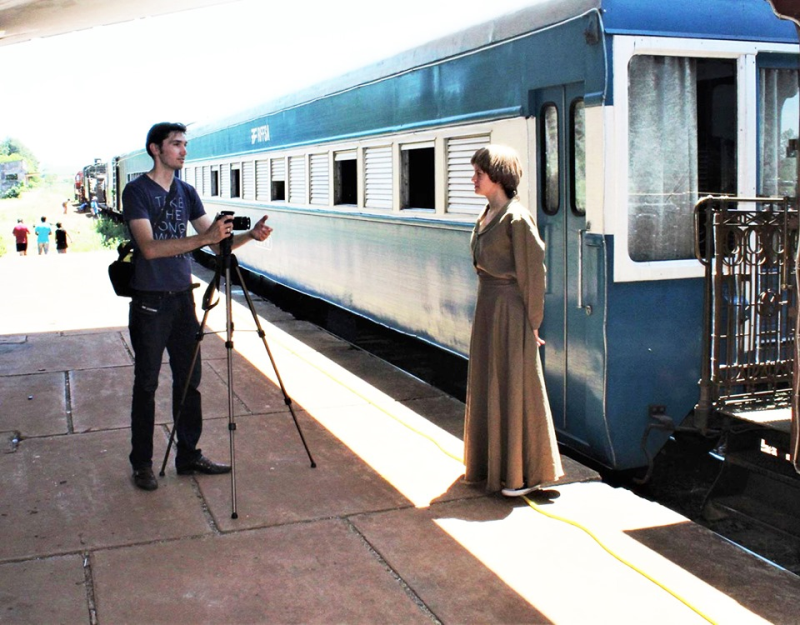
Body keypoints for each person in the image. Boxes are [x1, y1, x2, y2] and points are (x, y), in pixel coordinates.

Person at [123, 121, 272, 491]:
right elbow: (150, 248)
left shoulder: (186, 192)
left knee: (190, 381)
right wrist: (204, 237)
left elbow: (211, 242)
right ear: (155, 149)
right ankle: (142, 463)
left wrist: (246, 237)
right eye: (176, 145)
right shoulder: (136, 192)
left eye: (185, 145)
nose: (183, 151)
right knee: (146, 383)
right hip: (150, 302)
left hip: (182, 300)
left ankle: (188, 454)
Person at [463, 145, 564, 497]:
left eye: (479, 173)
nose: (473, 178)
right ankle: (494, 468)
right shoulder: (487, 214)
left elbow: (533, 274)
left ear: (498, 176)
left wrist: (533, 322)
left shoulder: (516, 218)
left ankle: (522, 474)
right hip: (488, 307)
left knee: (516, 385)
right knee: (490, 384)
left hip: (509, 310)